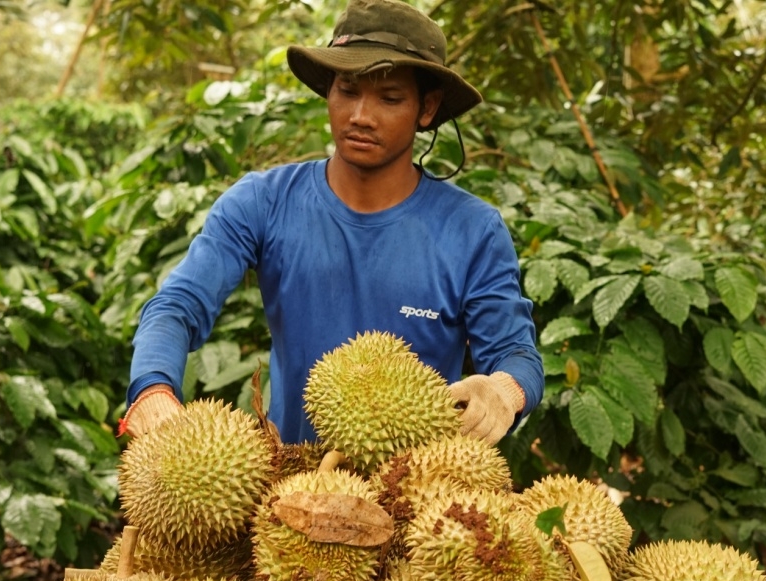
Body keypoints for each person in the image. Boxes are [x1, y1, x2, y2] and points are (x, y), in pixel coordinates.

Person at [118, 0, 543, 447]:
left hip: (415, 495)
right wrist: (153, 387)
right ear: (329, 92)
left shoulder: (472, 230)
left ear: (427, 108)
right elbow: (176, 306)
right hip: (288, 489)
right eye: (348, 90)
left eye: (390, 98)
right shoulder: (263, 201)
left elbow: (517, 354)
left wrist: (502, 390)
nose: (361, 115)